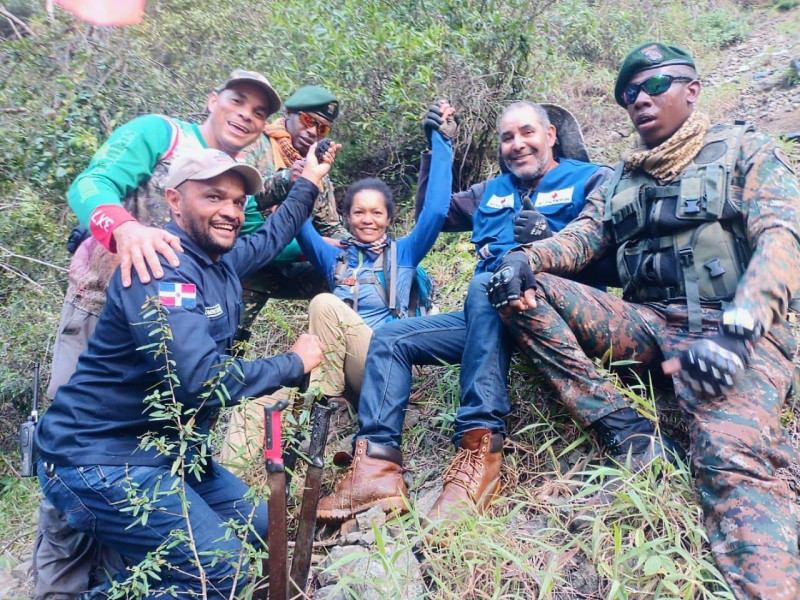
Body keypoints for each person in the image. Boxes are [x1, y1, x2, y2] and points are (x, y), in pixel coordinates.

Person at [487, 42, 800, 599]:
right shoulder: (619, 180)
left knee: (730, 459)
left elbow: (784, 241)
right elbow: (583, 238)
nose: (640, 100)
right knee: (520, 292)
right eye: (630, 93)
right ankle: (622, 429)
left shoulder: (745, 150)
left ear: (692, 90)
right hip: (650, 323)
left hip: (734, 333)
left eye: (656, 85)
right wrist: (525, 260)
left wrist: (738, 330)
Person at [316, 100, 663, 524]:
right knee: (391, 338)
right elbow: (436, 211)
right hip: (483, 321)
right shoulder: (489, 191)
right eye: (507, 137)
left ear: (551, 135)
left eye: (528, 133)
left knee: (488, 281)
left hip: (551, 316)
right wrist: (436, 148)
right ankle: (376, 467)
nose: (518, 144)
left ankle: (480, 447)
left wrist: (548, 242)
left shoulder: (592, 178)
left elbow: (617, 258)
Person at [34, 146, 334, 599]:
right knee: (220, 571)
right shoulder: (159, 267)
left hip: (169, 455)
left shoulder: (219, 260)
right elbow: (200, 381)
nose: (230, 211)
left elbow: (273, 235)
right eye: (214, 197)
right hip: (99, 458)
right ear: (175, 200)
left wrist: (309, 180)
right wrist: (292, 363)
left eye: (237, 202)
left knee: (260, 527)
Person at [221, 104, 457, 468]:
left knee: (324, 304)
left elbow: (438, 212)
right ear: (346, 217)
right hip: (333, 367)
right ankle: (227, 488)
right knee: (254, 404)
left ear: (389, 218)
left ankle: (318, 407)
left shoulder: (406, 252)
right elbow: (297, 222)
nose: (368, 220)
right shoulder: (335, 258)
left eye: (377, 213)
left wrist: (441, 143)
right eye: (359, 213)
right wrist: (305, 177)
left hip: (381, 370)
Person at [237, 84, 352, 340]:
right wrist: (289, 178)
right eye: (308, 120)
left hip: (288, 265)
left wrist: (355, 245)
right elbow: (238, 197)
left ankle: (335, 350)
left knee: (350, 275)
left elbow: (330, 224)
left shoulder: (318, 169)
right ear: (288, 114)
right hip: (246, 262)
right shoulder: (256, 145)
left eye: (322, 128)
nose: (312, 132)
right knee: (229, 337)